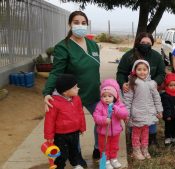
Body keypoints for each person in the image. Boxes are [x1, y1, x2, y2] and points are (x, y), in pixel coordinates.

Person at [42, 11, 101, 164]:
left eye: (83, 23)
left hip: (94, 92)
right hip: (73, 96)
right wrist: (47, 92)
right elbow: (56, 72)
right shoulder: (63, 47)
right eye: (76, 22)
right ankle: (77, 157)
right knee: (74, 128)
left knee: (101, 121)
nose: (80, 25)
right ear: (70, 24)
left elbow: (94, 69)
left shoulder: (93, 45)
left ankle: (98, 147)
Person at [116, 32, 165, 147]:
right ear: (138, 42)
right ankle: (135, 139)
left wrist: (154, 83)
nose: (145, 45)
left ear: (152, 44)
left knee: (150, 112)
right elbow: (121, 73)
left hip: (150, 91)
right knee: (136, 114)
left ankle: (151, 138)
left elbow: (161, 74)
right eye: (143, 42)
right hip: (133, 91)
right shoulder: (129, 56)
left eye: (148, 43)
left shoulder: (156, 56)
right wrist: (123, 83)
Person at [123, 59, 163, 160]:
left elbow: (156, 98)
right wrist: (126, 114)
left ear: (148, 70)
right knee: (136, 133)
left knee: (145, 133)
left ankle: (144, 149)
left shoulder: (152, 83)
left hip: (149, 113)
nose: (142, 72)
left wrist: (159, 110)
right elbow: (128, 100)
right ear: (134, 70)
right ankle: (136, 150)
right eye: (139, 69)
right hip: (137, 113)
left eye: (144, 69)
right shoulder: (133, 83)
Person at [44, 74, 86, 169]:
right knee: (62, 154)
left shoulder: (77, 99)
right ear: (65, 92)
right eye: (75, 87)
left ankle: (76, 164)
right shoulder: (54, 102)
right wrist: (49, 136)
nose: (78, 89)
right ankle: (59, 166)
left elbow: (80, 113)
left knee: (75, 150)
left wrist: (82, 127)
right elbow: (49, 120)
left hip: (74, 132)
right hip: (60, 135)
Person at [93, 79, 129, 169]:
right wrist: (104, 120)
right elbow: (96, 117)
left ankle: (113, 158)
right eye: (104, 96)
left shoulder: (118, 105)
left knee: (114, 146)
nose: (107, 98)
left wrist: (116, 109)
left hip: (115, 132)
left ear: (115, 96)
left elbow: (124, 113)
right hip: (103, 133)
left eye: (110, 96)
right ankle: (105, 160)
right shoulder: (99, 105)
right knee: (104, 147)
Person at [161, 73, 175, 145]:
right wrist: (167, 115)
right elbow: (165, 105)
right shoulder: (165, 95)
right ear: (167, 86)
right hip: (168, 115)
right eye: (170, 85)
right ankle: (168, 137)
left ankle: (174, 136)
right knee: (168, 126)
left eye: (174, 85)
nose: (173, 87)